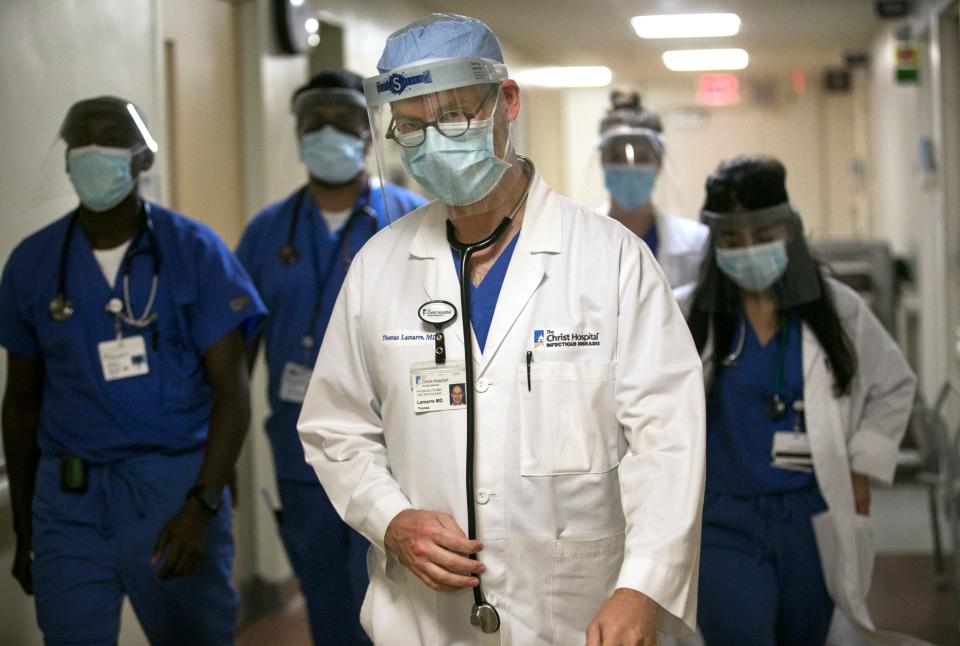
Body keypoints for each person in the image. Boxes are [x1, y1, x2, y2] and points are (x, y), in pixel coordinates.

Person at [297, 13, 705, 645]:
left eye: (455, 115)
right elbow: (335, 427)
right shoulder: (378, 267)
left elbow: (668, 439)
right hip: (424, 621)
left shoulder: (612, 260)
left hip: (578, 613)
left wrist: (643, 584)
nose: (435, 140)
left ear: (506, 102)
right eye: (412, 126)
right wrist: (390, 518)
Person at [0, 96, 265, 645]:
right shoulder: (33, 263)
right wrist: (26, 526)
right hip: (68, 503)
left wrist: (204, 502)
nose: (95, 151)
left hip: (174, 493)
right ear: (68, 156)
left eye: (111, 137)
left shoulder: (194, 252)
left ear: (141, 158)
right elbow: (20, 401)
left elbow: (232, 395)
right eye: (83, 140)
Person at [679, 155, 919, 645]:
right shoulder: (686, 313)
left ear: (789, 230)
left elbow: (894, 384)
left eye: (763, 235)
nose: (748, 251)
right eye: (732, 241)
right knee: (741, 632)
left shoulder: (836, 309)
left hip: (810, 520)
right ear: (714, 244)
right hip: (723, 520)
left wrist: (860, 467)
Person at [235, 70, 426, 644]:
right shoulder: (267, 233)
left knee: (400, 598)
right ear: (295, 133)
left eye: (343, 119)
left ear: (369, 132)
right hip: (304, 459)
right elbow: (236, 357)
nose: (327, 131)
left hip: (401, 444)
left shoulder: (412, 219)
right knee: (327, 599)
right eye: (313, 120)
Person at [597, 91, 707, 288]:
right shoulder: (576, 240)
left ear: (659, 163)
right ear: (602, 162)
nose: (630, 167)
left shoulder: (696, 243)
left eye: (642, 159)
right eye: (617, 158)